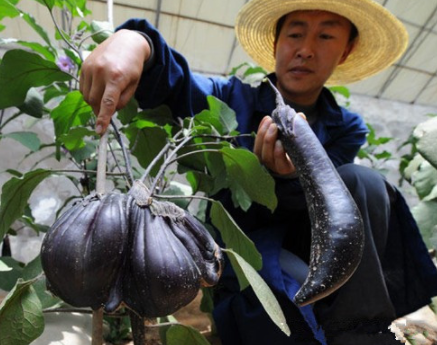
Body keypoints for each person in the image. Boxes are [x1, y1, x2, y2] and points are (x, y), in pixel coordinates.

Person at [79, 0, 437, 344]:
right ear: (277, 43)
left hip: (321, 250)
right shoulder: (230, 98)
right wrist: (136, 42)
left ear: (345, 51)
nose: (306, 49)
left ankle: (362, 334)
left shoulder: (347, 127)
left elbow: (329, 204)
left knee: (367, 181)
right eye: (295, 34)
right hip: (251, 255)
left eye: (326, 37)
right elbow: (176, 82)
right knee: (282, 300)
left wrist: (289, 179)